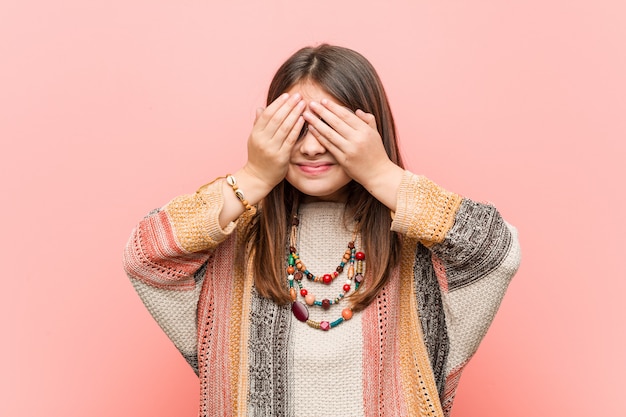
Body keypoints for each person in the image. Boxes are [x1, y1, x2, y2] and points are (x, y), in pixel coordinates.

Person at [123, 44, 521, 417]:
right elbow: (146, 255)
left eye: (332, 128)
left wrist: (381, 173)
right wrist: (253, 176)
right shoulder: (234, 240)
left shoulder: (421, 246)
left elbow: (496, 250)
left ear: (370, 129)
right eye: (294, 127)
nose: (311, 147)